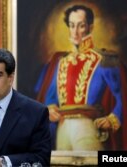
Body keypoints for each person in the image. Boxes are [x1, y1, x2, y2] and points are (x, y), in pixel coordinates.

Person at [36, 5, 122, 150]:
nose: (75, 32)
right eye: (72, 25)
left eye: (81, 26)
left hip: (87, 126)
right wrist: (49, 110)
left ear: (90, 27)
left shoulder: (103, 60)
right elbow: (50, 100)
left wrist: (112, 119)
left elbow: (122, 98)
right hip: (62, 128)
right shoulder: (60, 62)